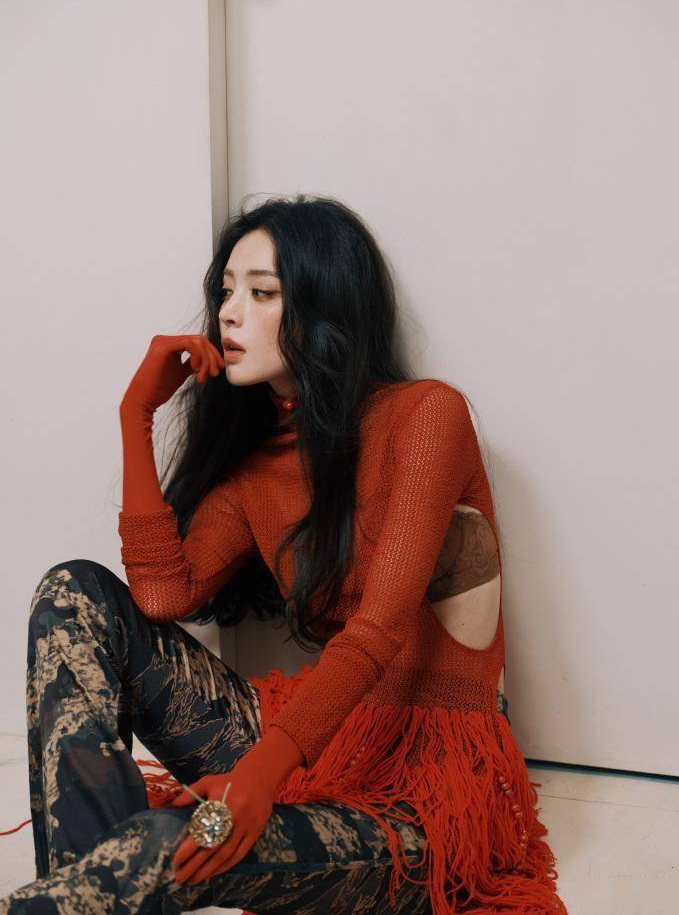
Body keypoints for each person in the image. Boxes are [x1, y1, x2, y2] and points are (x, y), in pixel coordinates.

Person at [0, 195, 567, 913]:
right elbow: (162, 598)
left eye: (262, 293)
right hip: (321, 744)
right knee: (74, 592)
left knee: (160, 846)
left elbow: (379, 628)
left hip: (424, 795)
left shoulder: (426, 416)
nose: (229, 314)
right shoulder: (256, 467)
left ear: (325, 308)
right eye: (225, 292)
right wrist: (135, 416)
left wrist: (259, 776)